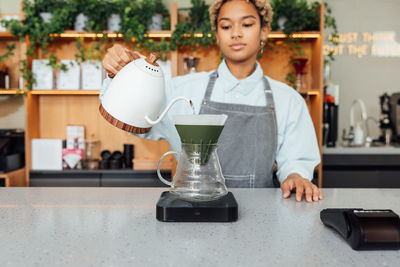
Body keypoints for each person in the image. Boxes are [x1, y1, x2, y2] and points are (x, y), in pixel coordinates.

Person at [101, 0, 323, 202]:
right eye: (226, 26)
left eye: (247, 24)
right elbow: (134, 118)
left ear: (264, 31)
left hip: (261, 220)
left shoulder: (288, 100)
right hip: (193, 219)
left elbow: (296, 160)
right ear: (217, 34)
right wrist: (120, 72)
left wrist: (296, 176)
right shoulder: (181, 90)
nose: (236, 33)